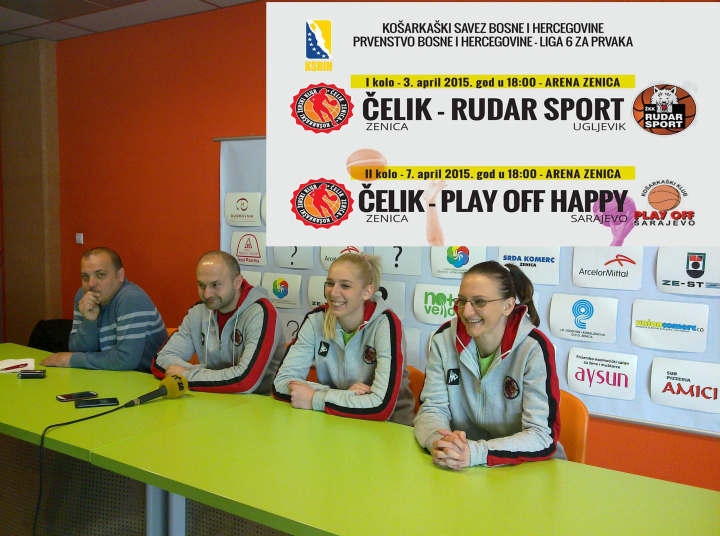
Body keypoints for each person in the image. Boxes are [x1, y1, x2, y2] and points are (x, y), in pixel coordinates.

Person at [414, 261, 564, 468]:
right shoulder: (443, 338)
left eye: (480, 302)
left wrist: (475, 452)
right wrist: (442, 444)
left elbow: (541, 436)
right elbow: (432, 409)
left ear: (508, 306)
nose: (467, 312)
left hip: (527, 467)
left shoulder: (534, 348)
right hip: (463, 464)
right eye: (462, 301)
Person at [272, 252, 415, 425]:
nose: (333, 292)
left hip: (390, 426)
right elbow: (280, 384)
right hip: (335, 418)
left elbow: (381, 407)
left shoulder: (386, 324)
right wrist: (342, 395)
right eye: (330, 283)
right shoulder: (315, 319)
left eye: (345, 286)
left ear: (367, 291)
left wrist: (315, 398)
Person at [152, 250, 284, 394]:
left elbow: (246, 381)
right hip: (209, 398)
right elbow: (161, 360)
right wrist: (201, 376)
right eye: (201, 285)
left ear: (237, 282)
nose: (207, 294)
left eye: (215, 285)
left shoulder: (262, 312)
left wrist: (187, 375)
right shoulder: (198, 312)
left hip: (257, 403)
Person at [41, 247, 166, 371]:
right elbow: (78, 350)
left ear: (120, 275)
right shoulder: (83, 295)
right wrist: (89, 322)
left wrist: (73, 360)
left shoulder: (131, 298)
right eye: (85, 277)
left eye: (100, 275)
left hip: (145, 376)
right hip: (109, 374)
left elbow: (125, 360)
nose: (91, 284)